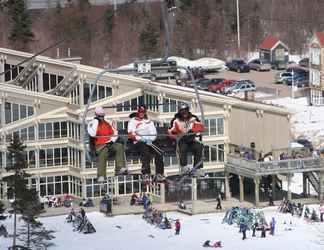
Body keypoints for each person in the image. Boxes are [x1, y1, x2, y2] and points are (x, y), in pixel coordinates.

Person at [87, 106, 126, 182]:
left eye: (102, 116)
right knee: (103, 153)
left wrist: (112, 140)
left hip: (109, 143)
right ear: (96, 115)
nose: (101, 118)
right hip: (99, 146)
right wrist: (96, 122)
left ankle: (119, 168)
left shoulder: (107, 123)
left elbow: (115, 132)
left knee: (119, 146)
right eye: (99, 116)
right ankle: (101, 175)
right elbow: (92, 133)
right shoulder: (92, 123)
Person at [128, 105, 165, 182]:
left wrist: (150, 139)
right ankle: (146, 173)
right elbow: (131, 134)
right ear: (138, 112)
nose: (142, 113)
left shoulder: (149, 121)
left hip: (150, 140)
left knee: (159, 152)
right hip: (139, 141)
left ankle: (159, 174)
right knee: (146, 153)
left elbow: (153, 132)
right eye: (140, 112)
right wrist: (142, 139)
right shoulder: (133, 121)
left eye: (143, 112)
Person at [168, 104, 204, 175]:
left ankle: (197, 169)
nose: (184, 113)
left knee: (199, 146)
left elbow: (200, 127)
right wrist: (176, 135)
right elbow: (170, 131)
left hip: (191, 140)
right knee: (183, 147)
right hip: (181, 140)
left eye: (186, 111)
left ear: (188, 111)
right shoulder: (176, 120)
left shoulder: (193, 118)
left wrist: (195, 131)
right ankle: (184, 167)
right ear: (179, 112)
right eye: (182, 111)